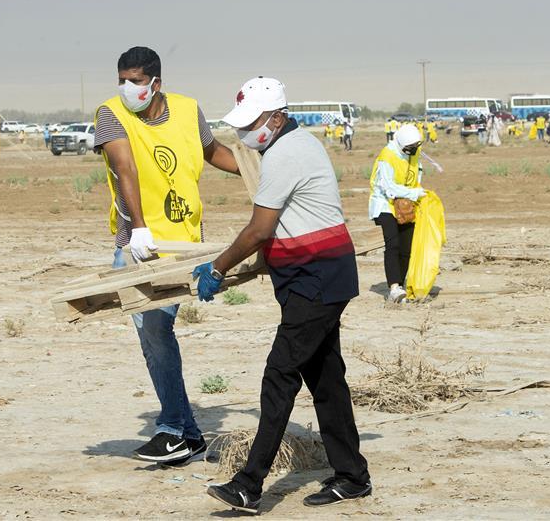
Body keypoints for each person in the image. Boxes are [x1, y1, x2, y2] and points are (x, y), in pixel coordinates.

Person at [201, 76, 370, 514]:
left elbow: (260, 228)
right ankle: (352, 476)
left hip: (316, 278)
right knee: (326, 380)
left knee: (280, 376)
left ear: (277, 117)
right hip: (319, 276)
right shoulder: (294, 144)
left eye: (252, 124)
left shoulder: (285, 153)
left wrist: (218, 267)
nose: (244, 134)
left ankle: (249, 484)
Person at [93, 46, 240, 465]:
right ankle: (180, 431)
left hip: (185, 241)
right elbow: (126, 169)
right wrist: (139, 227)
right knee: (155, 334)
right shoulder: (110, 114)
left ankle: (179, 431)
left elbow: (213, 152)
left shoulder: (187, 109)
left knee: (157, 334)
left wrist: (257, 169)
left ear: (156, 82)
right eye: (122, 79)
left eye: (136, 81)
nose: (127, 88)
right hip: (140, 243)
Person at [368, 123, 426, 303]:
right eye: (409, 148)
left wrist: (415, 196)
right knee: (393, 244)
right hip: (385, 204)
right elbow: (388, 188)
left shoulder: (414, 153)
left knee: (406, 247)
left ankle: (400, 284)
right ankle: (393, 287)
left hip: (406, 205)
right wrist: (413, 193)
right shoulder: (387, 156)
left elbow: (416, 176)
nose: (413, 151)